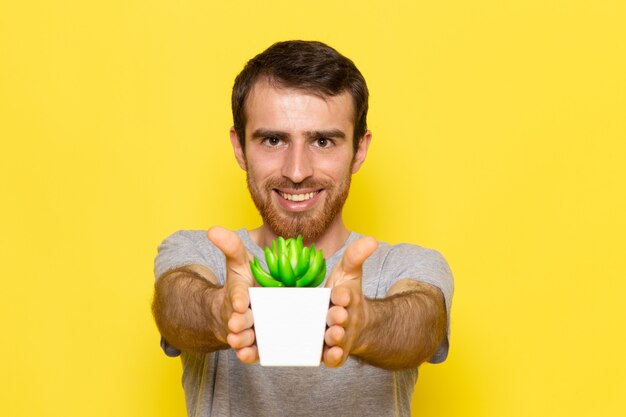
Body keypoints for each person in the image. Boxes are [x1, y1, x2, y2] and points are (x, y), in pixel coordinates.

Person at [152, 40, 454, 417]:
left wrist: (361, 324)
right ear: (240, 148)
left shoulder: (405, 265)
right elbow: (175, 305)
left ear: (359, 150)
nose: (297, 172)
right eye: (273, 140)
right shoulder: (203, 254)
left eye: (323, 141)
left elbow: (421, 323)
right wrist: (221, 310)